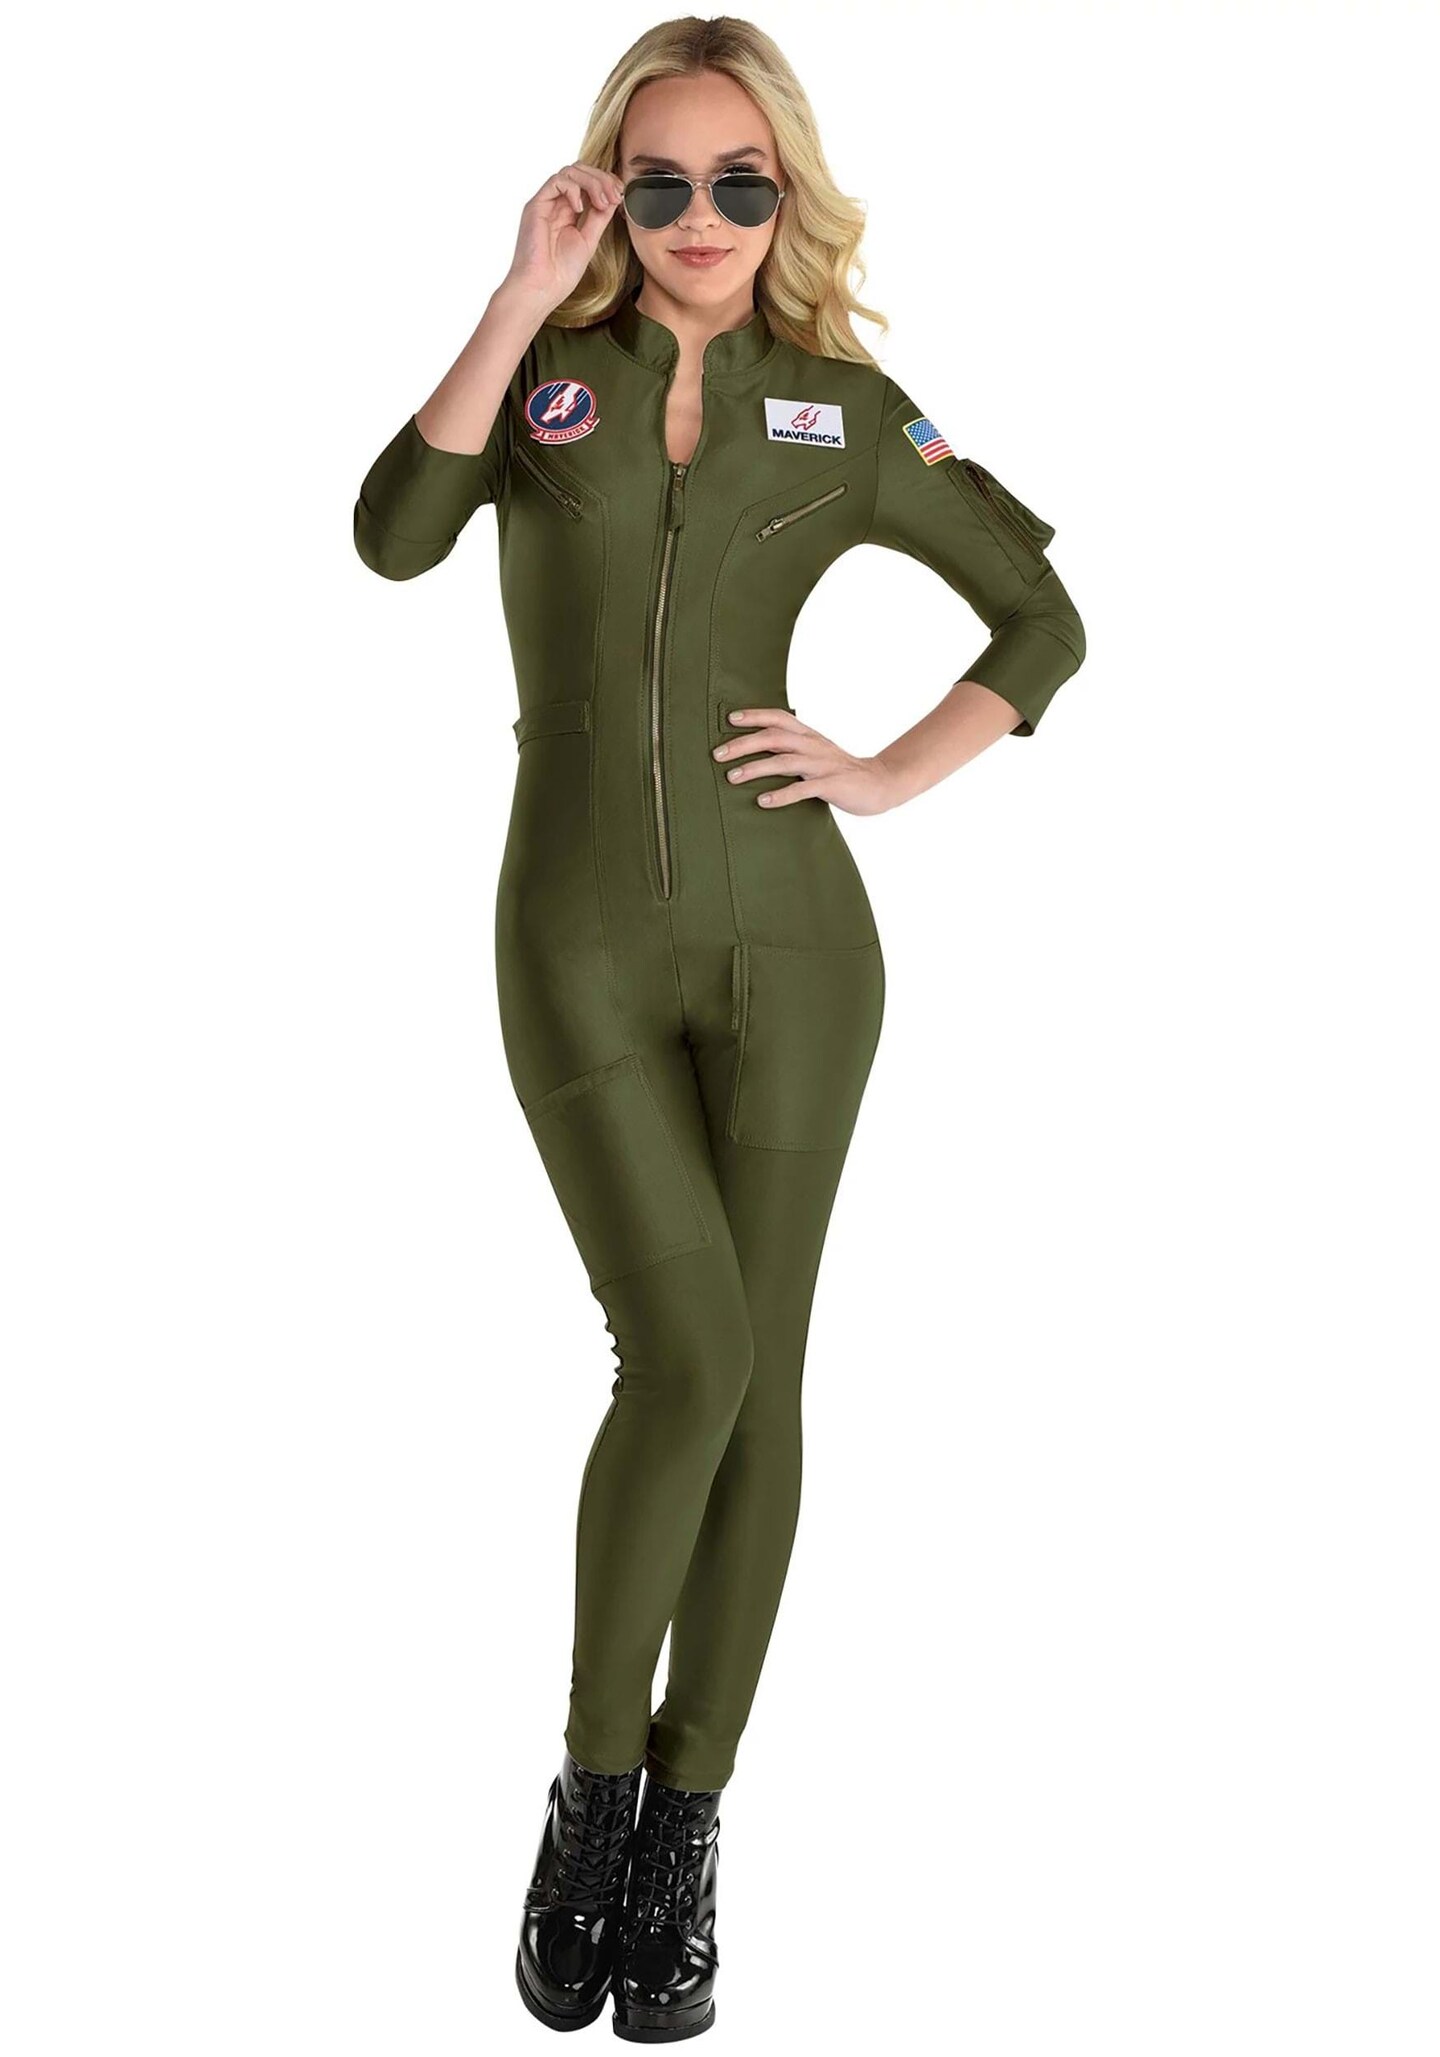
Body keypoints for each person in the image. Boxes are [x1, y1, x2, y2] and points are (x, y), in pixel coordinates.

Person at [352, 16, 1085, 2042]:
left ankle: (686, 1829)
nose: (700, 217)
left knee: (762, 1388)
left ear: (788, 196)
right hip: (575, 945)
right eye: (660, 179)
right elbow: (392, 537)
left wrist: (887, 770)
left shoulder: (844, 413)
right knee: (684, 1356)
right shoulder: (552, 381)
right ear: (609, 187)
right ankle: (589, 1798)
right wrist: (517, 292)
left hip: (798, 957)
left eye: (739, 182)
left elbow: (1046, 621)